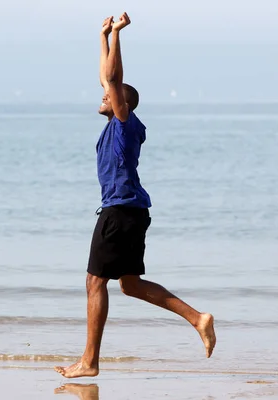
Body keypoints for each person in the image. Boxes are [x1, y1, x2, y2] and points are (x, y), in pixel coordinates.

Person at [54, 12, 216, 379]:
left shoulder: (125, 124)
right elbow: (106, 76)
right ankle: (198, 318)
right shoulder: (119, 123)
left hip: (120, 210)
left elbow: (113, 78)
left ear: (121, 102)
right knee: (129, 284)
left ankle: (89, 362)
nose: (103, 94)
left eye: (108, 95)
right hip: (131, 211)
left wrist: (119, 35)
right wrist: (103, 37)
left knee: (95, 282)